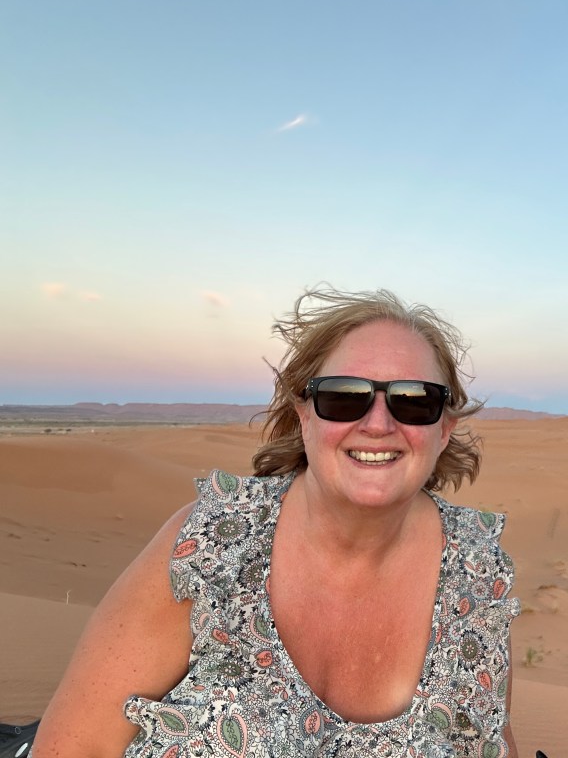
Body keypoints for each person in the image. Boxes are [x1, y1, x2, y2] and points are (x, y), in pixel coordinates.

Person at [32, 287, 520, 757]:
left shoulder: (477, 577)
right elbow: (77, 747)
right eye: (343, 397)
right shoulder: (210, 546)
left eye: (414, 400)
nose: (377, 424)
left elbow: (489, 741)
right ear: (304, 415)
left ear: (444, 428)